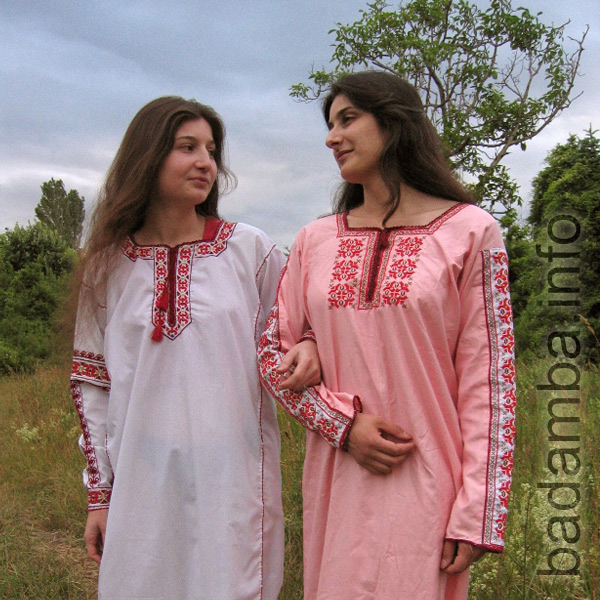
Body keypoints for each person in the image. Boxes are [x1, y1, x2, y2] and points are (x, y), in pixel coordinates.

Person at [258, 71, 516, 600]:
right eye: (330, 125)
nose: (332, 137)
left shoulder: (470, 232)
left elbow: (490, 382)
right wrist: (341, 425)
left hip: (427, 483)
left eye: (348, 119)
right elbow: (270, 353)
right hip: (338, 480)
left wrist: (476, 512)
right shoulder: (314, 240)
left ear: (395, 122)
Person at [69, 96, 320, 600]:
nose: (207, 162)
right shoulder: (107, 267)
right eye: (188, 147)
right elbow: (92, 383)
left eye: (211, 149)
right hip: (143, 480)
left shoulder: (248, 250)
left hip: (235, 476)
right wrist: (101, 496)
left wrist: (311, 341)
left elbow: (295, 328)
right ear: (148, 157)